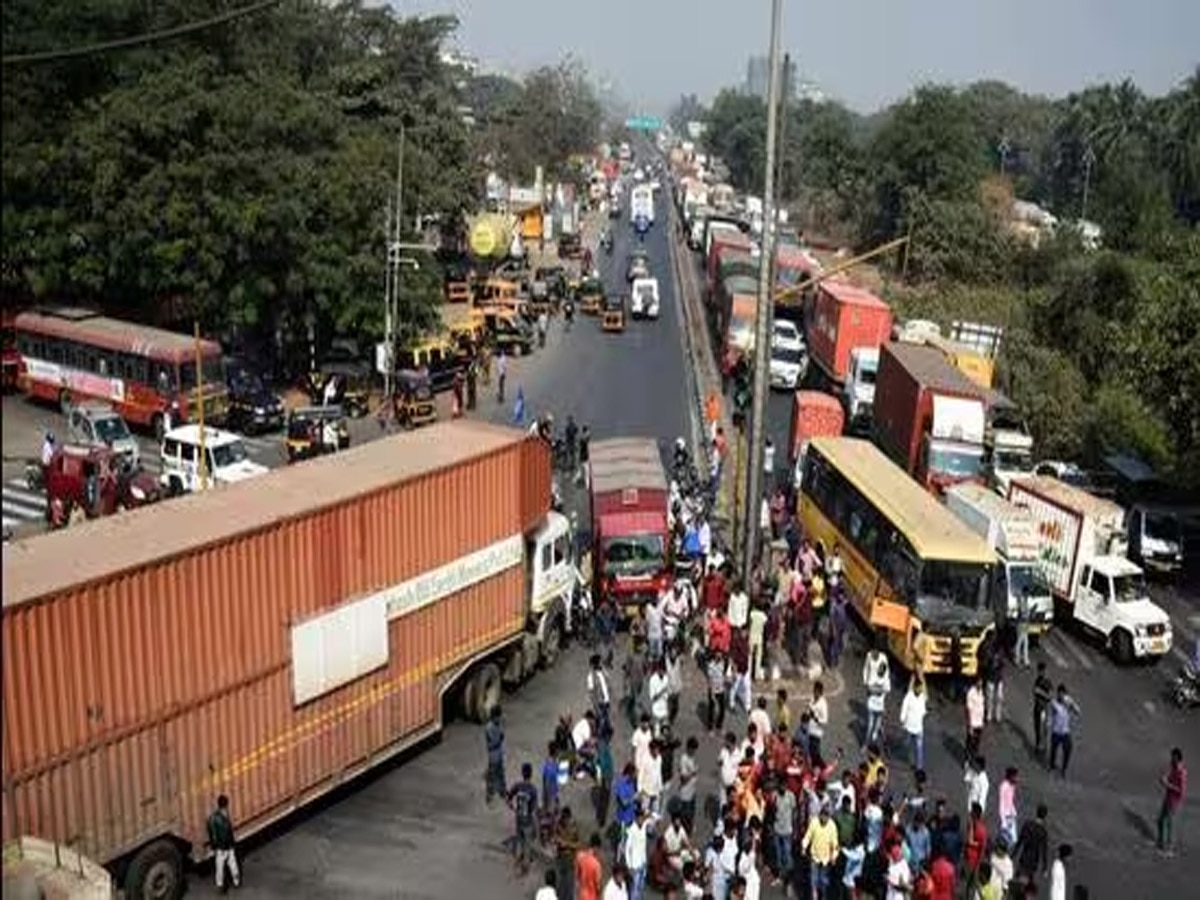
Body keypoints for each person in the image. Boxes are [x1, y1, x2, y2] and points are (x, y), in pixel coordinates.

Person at [507, 763, 540, 875]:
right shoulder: (533, 789)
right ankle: (525, 867)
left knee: (520, 840)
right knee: (527, 843)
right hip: (528, 820)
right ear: (531, 774)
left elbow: (509, 797)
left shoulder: (518, 786)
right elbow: (534, 809)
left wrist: (512, 807)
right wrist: (536, 824)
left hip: (519, 818)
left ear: (522, 773)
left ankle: (519, 860)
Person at [206, 794, 240, 893]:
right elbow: (228, 832)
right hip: (227, 846)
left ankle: (221, 886)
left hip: (221, 847)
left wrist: (214, 846)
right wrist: (232, 844)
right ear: (226, 805)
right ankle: (235, 881)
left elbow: (212, 833)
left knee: (220, 867)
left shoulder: (214, 817)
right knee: (232, 865)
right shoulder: (224, 817)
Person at [1157, 747, 1187, 855]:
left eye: (1173, 757)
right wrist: (1164, 779)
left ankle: (1169, 847)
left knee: (1169, 823)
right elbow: (1168, 776)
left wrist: (1168, 785)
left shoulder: (1182, 772)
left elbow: (1182, 791)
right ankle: (1160, 842)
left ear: (1177, 757)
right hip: (1168, 797)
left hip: (1174, 800)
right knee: (1160, 820)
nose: (1171, 759)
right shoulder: (1173, 767)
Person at [1047, 684, 1081, 777]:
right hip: (1056, 732)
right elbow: (1051, 715)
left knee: (1068, 749)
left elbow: (1078, 711)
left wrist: (1072, 705)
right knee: (1053, 750)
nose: (1061, 695)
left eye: (1063, 693)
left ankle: (1064, 769)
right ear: (1057, 693)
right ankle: (1051, 766)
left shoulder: (1068, 702)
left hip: (1065, 732)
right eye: (1060, 693)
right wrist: (1049, 723)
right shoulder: (1054, 703)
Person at [862, 644, 891, 747]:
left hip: (880, 706)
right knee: (870, 725)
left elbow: (887, 689)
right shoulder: (873, 678)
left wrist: (876, 690)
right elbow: (871, 689)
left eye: (882, 670)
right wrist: (874, 689)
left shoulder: (886, 680)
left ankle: (873, 739)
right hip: (871, 704)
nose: (880, 671)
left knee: (876, 727)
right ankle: (865, 744)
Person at [899, 677, 929, 771]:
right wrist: (902, 719)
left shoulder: (922, 697)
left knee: (919, 747)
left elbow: (923, 710)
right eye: (918, 688)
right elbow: (904, 708)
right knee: (909, 745)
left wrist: (924, 714)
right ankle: (912, 762)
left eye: (921, 688)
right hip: (909, 726)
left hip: (919, 727)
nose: (920, 690)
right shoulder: (909, 696)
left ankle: (919, 767)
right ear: (914, 687)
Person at [1032, 662, 1054, 759]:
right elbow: (1034, 691)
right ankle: (1038, 745)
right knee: (1037, 728)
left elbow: (1050, 696)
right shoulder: (1037, 680)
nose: (1041, 673)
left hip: (1044, 709)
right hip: (1037, 707)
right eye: (1039, 671)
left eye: (1042, 671)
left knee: (1043, 728)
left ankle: (1044, 747)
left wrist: (1040, 692)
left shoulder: (1048, 682)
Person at [485, 705, 506, 803]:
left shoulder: (498, 725)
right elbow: (493, 743)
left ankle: (503, 791)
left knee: (501, 773)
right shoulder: (489, 727)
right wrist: (501, 738)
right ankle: (489, 795)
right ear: (494, 717)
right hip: (493, 755)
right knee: (492, 775)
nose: (500, 719)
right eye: (498, 717)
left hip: (499, 754)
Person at [576, 833, 605, 900]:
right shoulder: (596, 864)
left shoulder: (580, 857)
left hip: (582, 895)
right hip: (592, 896)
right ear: (596, 847)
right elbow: (598, 885)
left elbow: (577, 877)